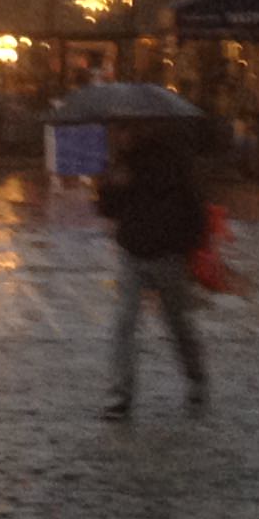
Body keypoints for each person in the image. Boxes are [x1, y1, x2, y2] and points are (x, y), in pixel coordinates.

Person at [95, 123, 209, 420]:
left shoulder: (174, 161)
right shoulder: (123, 162)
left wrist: (187, 247)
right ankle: (120, 396)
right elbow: (108, 209)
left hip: (168, 255)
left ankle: (196, 378)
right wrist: (110, 184)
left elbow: (193, 207)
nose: (122, 132)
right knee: (125, 323)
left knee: (178, 323)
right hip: (133, 254)